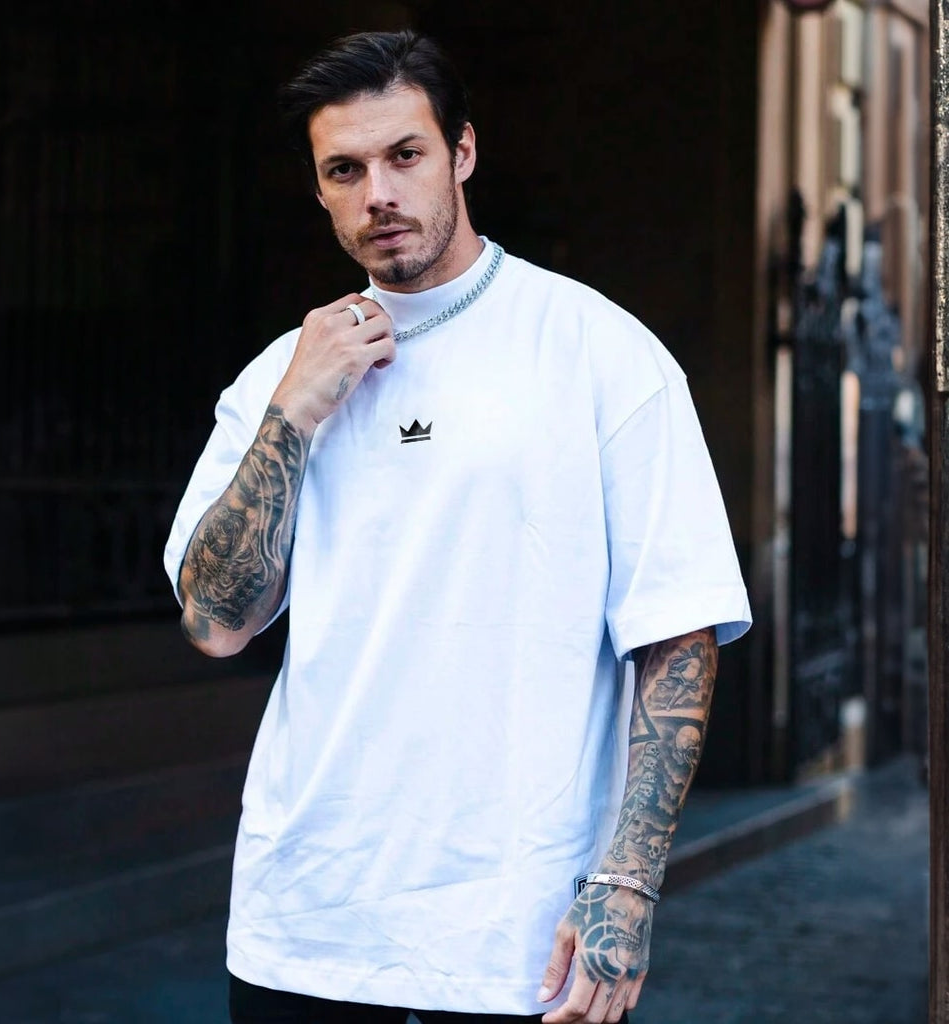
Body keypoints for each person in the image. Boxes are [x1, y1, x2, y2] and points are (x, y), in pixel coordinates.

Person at [164, 29, 751, 1024]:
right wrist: (296, 410)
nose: (378, 195)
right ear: (318, 189)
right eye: (345, 171)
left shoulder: (600, 351)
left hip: (515, 942)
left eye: (405, 156)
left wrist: (626, 885)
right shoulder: (280, 376)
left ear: (462, 152)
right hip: (305, 928)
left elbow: (677, 634)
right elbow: (216, 622)